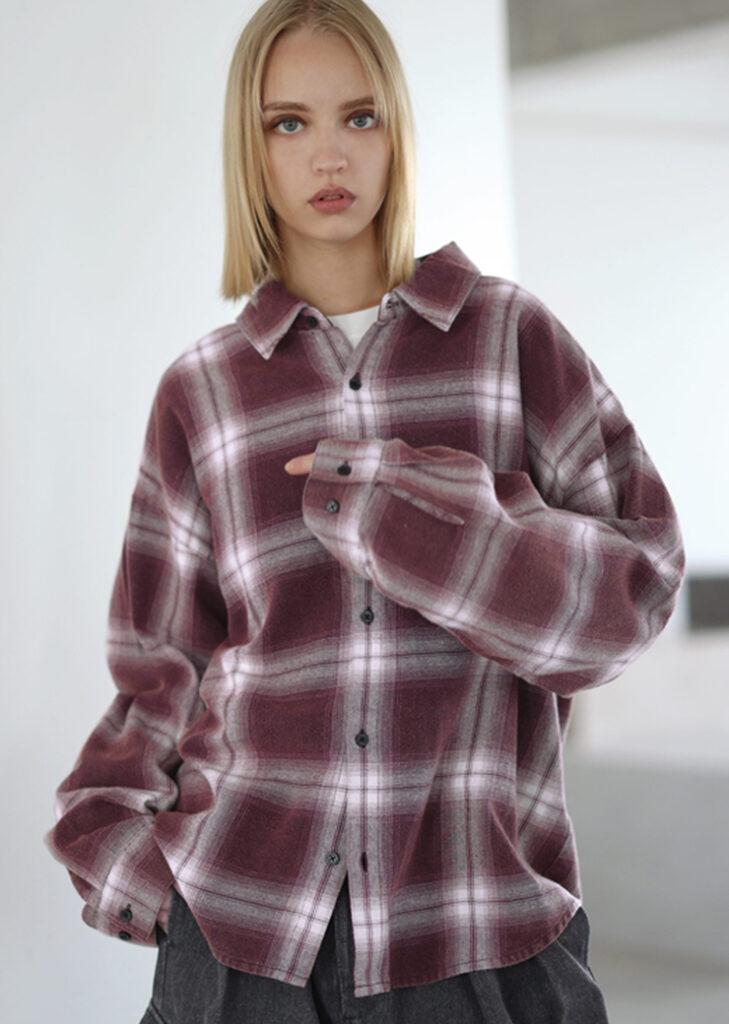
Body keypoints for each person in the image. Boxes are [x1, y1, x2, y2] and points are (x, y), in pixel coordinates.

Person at [45, 1, 685, 1021]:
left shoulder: (509, 338)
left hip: (478, 928)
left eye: (359, 116)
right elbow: (161, 670)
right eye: (287, 123)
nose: (328, 154)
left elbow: (632, 596)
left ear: (397, 131)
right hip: (240, 938)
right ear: (250, 148)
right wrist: (128, 858)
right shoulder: (202, 390)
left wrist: (411, 512)